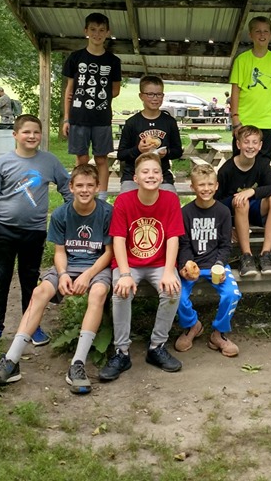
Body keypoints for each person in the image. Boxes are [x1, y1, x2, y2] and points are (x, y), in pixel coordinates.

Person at [0, 164, 113, 393]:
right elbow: (60, 252)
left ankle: (78, 363)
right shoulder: (62, 214)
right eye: (79, 185)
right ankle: (11, 361)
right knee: (39, 292)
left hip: (95, 267)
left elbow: (109, 252)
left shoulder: (106, 212)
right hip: (68, 266)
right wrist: (63, 275)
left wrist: (88, 275)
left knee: (99, 292)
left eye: (90, 186)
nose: (85, 190)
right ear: (70, 187)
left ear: (97, 187)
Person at [0, 114, 72, 345]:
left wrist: (73, 216)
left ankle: (31, 325)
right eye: (26, 132)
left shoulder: (49, 162)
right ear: (15, 135)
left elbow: (68, 189)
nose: (32, 136)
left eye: (36, 132)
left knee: (30, 279)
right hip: (3, 231)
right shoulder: (3, 163)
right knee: (1, 278)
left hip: (35, 231)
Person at [99, 152, 185, 381]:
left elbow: (172, 238)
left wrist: (169, 271)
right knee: (120, 291)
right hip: (129, 264)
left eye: (156, 171)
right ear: (135, 178)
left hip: (159, 263)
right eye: (145, 172)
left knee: (173, 290)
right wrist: (125, 274)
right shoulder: (124, 201)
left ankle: (157, 346)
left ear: (162, 176)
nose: (151, 175)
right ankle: (122, 351)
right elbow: (118, 239)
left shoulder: (170, 200)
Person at [174, 165, 242, 357]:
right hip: (192, 265)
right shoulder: (185, 212)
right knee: (175, 294)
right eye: (201, 185)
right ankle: (192, 325)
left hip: (216, 265)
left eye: (210, 184)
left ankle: (219, 333)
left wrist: (219, 264)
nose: (206, 188)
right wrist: (184, 265)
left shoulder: (223, 212)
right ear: (192, 187)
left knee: (232, 294)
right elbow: (184, 243)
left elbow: (225, 245)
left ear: (217, 185)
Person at [61, 12, 122, 201]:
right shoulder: (75, 57)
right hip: (78, 116)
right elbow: (70, 90)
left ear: (107, 33)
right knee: (81, 159)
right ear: (86, 31)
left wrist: (96, 96)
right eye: (93, 30)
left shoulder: (113, 61)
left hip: (102, 118)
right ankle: (81, 193)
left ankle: (101, 196)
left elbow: (116, 90)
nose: (97, 34)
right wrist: (66, 118)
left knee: (102, 158)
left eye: (101, 30)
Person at [215, 124, 271, 278]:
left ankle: (266, 254)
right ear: (238, 144)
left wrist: (253, 191)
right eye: (246, 142)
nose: (250, 146)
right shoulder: (227, 169)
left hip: (253, 209)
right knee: (241, 200)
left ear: (260, 146)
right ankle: (246, 256)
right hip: (232, 210)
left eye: (254, 142)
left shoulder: (261, 165)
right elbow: (216, 202)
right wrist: (227, 226)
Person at [229, 16, 271, 159]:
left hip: (267, 122)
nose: (262, 35)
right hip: (245, 120)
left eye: (266, 31)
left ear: (270, 35)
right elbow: (235, 91)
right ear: (251, 35)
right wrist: (235, 119)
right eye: (258, 31)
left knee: (263, 163)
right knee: (241, 161)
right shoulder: (241, 60)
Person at [116, 75, 183, 194]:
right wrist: (138, 150)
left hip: (161, 175)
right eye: (150, 94)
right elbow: (121, 154)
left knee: (171, 201)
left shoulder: (169, 122)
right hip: (133, 175)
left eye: (159, 94)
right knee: (125, 203)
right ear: (141, 96)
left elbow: (178, 151)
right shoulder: (132, 122)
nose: (155, 98)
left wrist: (167, 153)